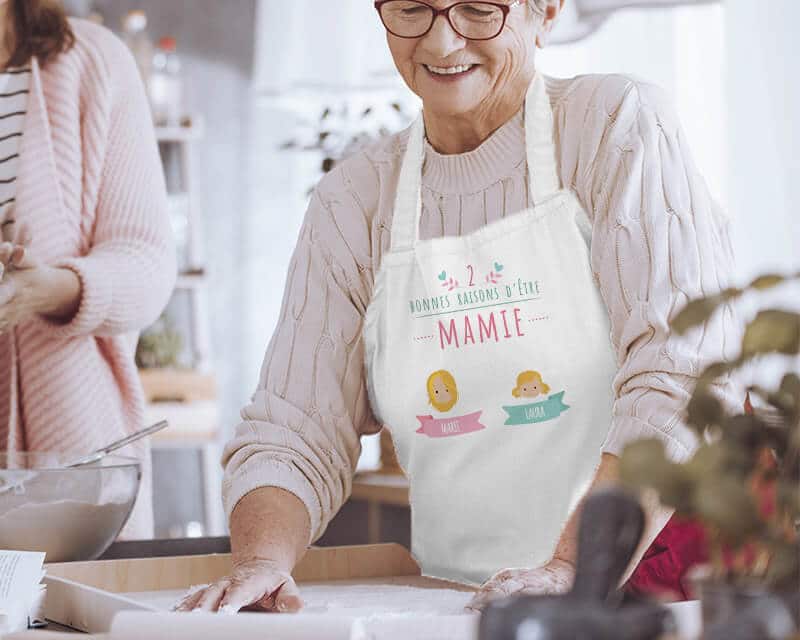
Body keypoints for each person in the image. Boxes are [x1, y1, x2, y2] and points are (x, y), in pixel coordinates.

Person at [181, 0, 737, 612]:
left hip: (649, 595)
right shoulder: (356, 198)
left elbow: (682, 375)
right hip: (454, 605)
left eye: (478, 9)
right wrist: (262, 561)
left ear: (544, 10)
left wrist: (572, 567)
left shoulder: (615, 123)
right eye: (414, 8)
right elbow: (293, 429)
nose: (442, 43)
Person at [0, 0, 175, 538]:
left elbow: (146, 264)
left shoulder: (93, 61)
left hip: (71, 465)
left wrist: (50, 290)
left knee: (73, 619)